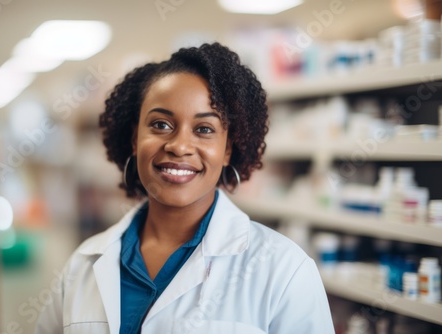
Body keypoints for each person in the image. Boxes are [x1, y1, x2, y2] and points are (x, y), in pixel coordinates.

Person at [35, 42, 334, 334]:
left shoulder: (284, 270)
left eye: (204, 129)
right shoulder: (83, 265)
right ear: (134, 139)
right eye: (161, 125)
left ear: (228, 149)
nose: (179, 146)